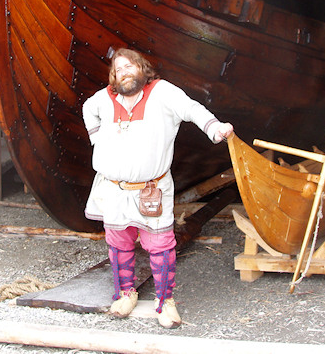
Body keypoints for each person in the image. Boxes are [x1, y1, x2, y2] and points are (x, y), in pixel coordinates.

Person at [82, 48, 234, 328]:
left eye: (129, 66)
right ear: (113, 77)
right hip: (114, 190)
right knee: (119, 243)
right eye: (118, 70)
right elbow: (87, 110)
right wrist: (97, 140)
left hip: (151, 189)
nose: (124, 72)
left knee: (161, 245)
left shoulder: (162, 92)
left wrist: (215, 128)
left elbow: (192, 109)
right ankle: (125, 294)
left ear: (142, 67)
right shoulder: (104, 99)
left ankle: (165, 302)